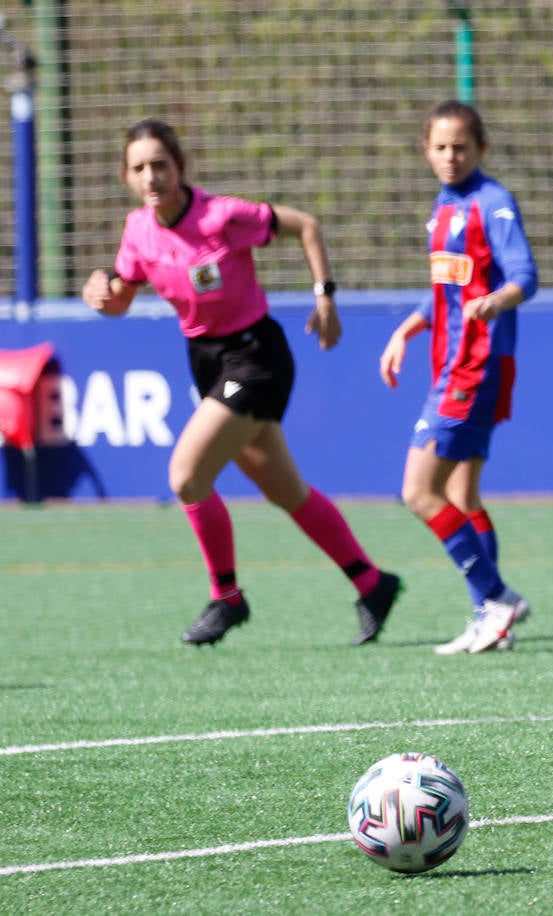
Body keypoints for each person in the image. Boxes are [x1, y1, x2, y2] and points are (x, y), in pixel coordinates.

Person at [81, 118, 402, 647]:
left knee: (186, 475)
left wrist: (325, 295)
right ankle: (372, 582)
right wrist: (101, 293)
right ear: (126, 177)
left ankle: (227, 597)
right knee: (286, 490)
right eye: (139, 168)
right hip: (206, 362)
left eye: (160, 164)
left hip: (256, 357)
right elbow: (121, 297)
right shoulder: (138, 229)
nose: (151, 176)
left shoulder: (222, 216)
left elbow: (306, 225)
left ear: (181, 167)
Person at [379, 100, 537, 656]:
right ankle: (488, 617)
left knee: (418, 491)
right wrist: (408, 328)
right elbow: (447, 288)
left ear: (481, 149)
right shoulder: (443, 207)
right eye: (440, 147)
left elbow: (525, 274)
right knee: (461, 492)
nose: (450, 156)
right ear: (426, 150)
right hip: (454, 362)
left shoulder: (492, 203)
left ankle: (495, 597)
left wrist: (497, 301)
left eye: (461, 147)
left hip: (475, 365)